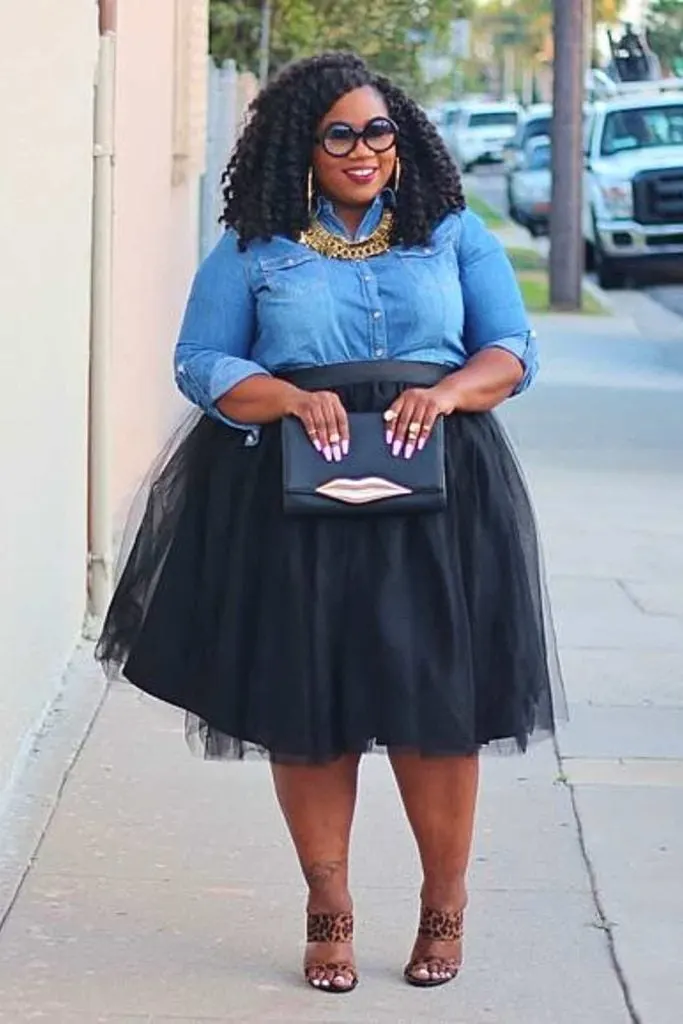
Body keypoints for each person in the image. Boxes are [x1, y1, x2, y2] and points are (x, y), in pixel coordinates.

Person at [97, 51, 565, 995]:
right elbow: (200, 359)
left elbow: (511, 348)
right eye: (340, 134)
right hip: (293, 497)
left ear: (401, 142)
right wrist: (277, 396)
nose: (362, 149)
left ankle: (444, 905)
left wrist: (445, 395)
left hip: (436, 489)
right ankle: (328, 908)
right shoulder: (253, 245)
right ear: (302, 147)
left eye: (378, 131)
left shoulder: (450, 233)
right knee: (310, 710)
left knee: (440, 706)